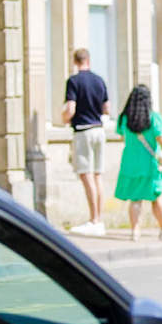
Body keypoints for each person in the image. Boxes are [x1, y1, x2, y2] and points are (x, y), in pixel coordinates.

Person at [112, 84, 162, 241]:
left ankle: (135, 231)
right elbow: (161, 139)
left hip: (130, 163)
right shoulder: (153, 118)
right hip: (150, 164)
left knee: (135, 199)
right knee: (156, 197)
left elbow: (122, 136)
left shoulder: (124, 119)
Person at [59, 47, 109, 235]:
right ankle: (99, 220)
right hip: (99, 129)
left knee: (86, 175)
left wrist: (63, 118)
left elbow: (70, 109)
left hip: (83, 130)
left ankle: (94, 219)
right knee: (97, 176)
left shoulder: (74, 81)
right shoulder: (99, 80)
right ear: (89, 60)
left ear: (75, 62)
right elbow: (107, 108)